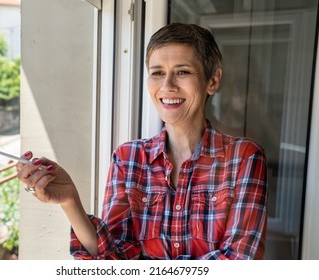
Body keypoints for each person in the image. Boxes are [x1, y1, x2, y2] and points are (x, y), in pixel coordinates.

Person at [16, 23, 268, 260]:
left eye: (182, 72)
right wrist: (70, 201)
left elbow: (239, 261)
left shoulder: (244, 157)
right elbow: (112, 259)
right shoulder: (128, 158)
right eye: (157, 73)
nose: (167, 85)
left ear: (212, 80)